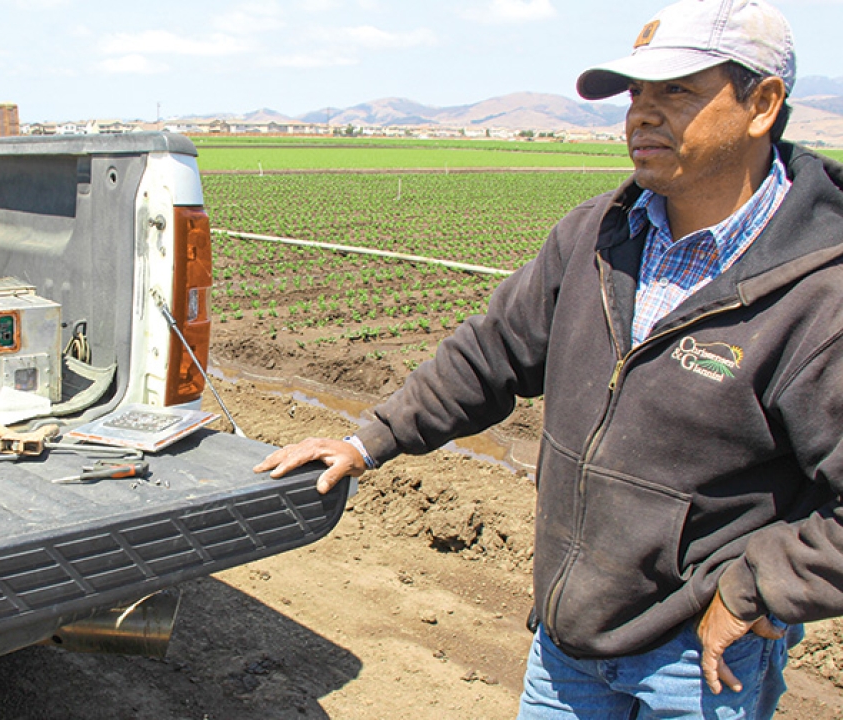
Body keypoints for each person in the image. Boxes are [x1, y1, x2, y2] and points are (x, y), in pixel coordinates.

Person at [255, 1, 843, 717]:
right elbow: (491, 354)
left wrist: (754, 590)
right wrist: (366, 438)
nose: (642, 116)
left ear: (763, 104)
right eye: (635, 96)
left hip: (702, 658)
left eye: (677, 92)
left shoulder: (821, 293)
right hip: (567, 640)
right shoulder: (597, 234)